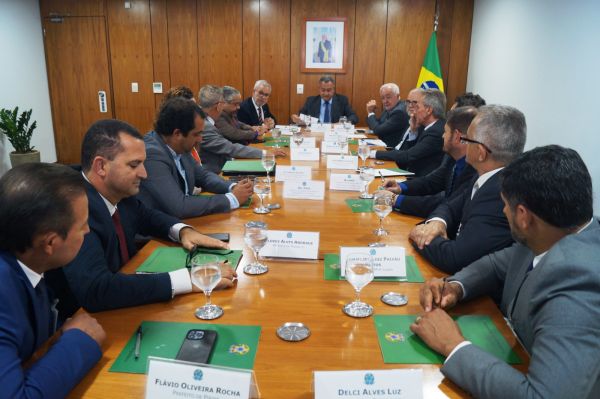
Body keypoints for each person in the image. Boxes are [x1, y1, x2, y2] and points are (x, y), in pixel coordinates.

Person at [411, 145, 600, 399]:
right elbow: (497, 264)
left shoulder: (579, 285)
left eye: (505, 206)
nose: (502, 212)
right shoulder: (553, 231)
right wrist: (455, 286)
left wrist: (452, 345)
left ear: (523, 216)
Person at [46, 119, 236, 320]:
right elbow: (97, 289)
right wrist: (189, 279)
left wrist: (183, 231)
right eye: (134, 164)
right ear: (101, 166)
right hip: (87, 321)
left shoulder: (117, 190)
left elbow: (146, 216)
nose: (144, 174)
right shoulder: (75, 207)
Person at [0, 163, 105, 398]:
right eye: (82, 225)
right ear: (50, 243)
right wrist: (80, 339)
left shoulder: (27, 261)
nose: (88, 231)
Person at [409, 105, 526, 273]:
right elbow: (450, 206)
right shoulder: (486, 175)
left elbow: (455, 258)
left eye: (467, 139)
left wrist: (419, 233)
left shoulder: (501, 193)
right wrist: (436, 223)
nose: (462, 143)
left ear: (480, 152)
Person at [138, 97, 253, 218]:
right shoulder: (151, 155)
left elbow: (203, 176)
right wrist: (232, 199)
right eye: (196, 134)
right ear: (177, 134)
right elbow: (179, 206)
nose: (200, 139)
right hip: (158, 233)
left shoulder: (179, 145)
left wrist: (233, 187)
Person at [383, 106, 478, 218]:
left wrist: (395, 199)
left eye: (446, 132)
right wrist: (400, 187)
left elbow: (447, 204)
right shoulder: (452, 158)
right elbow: (430, 182)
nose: (443, 136)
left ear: (457, 137)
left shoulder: (475, 168)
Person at [370, 88, 445, 176]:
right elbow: (411, 152)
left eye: (417, 106)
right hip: (410, 172)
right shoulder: (427, 126)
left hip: (417, 178)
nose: (413, 109)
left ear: (428, 110)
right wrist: (413, 131)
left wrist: (373, 153)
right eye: (408, 102)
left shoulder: (435, 131)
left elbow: (408, 155)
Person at [291, 75, 358, 124]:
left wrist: (341, 123)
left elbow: (354, 117)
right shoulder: (311, 101)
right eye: (323, 90)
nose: (326, 94)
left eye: (329, 90)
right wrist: (294, 118)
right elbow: (300, 116)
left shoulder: (342, 100)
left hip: (334, 133)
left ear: (333, 89)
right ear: (319, 89)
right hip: (315, 133)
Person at [365, 83, 410, 147]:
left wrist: (370, 112)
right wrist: (371, 114)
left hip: (390, 149)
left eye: (388, 97)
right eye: (382, 98)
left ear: (397, 96)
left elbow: (378, 130)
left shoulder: (399, 111)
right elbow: (377, 125)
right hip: (382, 143)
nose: (385, 101)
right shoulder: (392, 107)